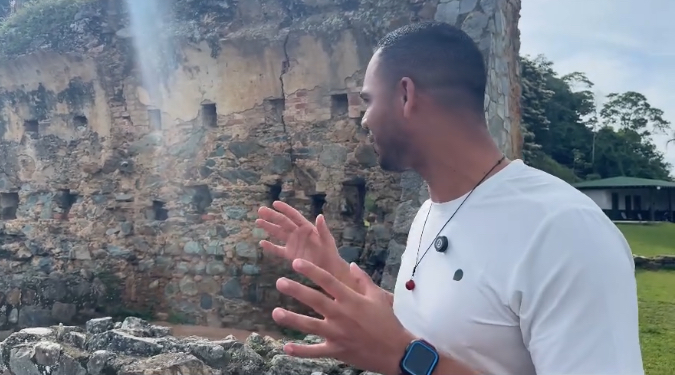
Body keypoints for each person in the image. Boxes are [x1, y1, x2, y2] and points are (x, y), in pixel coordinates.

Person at [255, 21, 644, 375]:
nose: (364, 118)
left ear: (406, 95)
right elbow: (443, 326)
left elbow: (407, 349)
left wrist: (405, 358)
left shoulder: (564, 230)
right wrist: (334, 271)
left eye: (369, 100)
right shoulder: (430, 213)